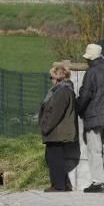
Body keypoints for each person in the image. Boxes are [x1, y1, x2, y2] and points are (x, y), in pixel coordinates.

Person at [76, 43, 104, 193]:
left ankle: (98, 182)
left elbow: (85, 95)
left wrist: (79, 110)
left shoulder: (91, 72)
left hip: (95, 119)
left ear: (90, 59)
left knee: (95, 150)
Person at [39, 64, 79, 192]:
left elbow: (55, 112)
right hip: (57, 130)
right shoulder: (62, 90)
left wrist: (45, 127)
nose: (50, 79)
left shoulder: (62, 91)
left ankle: (59, 185)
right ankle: (64, 183)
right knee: (54, 157)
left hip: (57, 131)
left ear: (58, 77)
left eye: (51, 77)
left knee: (54, 157)